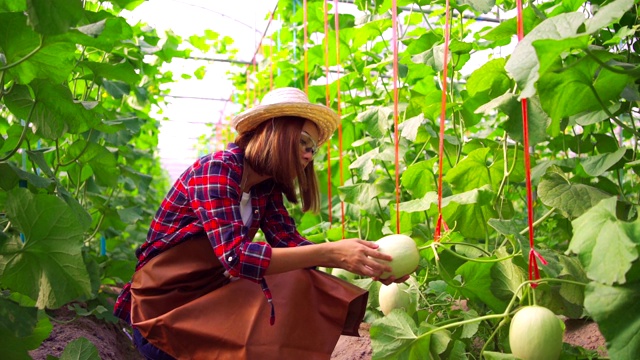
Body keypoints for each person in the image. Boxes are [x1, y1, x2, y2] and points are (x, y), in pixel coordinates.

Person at [114, 87, 408, 360]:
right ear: (274, 133)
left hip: (201, 311)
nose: (309, 154)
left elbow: (293, 246)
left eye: (313, 148)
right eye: (303, 142)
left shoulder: (265, 190)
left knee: (297, 277)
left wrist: (370, 263)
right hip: (160, 321)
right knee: (285, 276)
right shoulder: (216, 170)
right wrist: (331, 252)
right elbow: (236, 259)